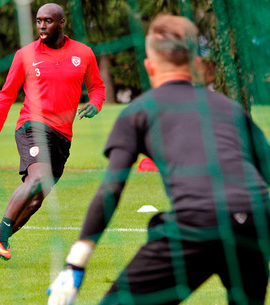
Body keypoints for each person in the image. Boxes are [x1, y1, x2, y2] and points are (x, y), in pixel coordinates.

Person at [48, 13, 270, 305]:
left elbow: (111, 189)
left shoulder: (139, 111)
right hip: (256, 221)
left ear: (149, 66)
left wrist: (74, 265)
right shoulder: (231, 108)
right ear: (196, 63)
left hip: (197, 223)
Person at [0, 3, 105, 267]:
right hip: (32, 126)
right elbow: (7, 93)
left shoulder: (83, 53)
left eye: (48, 21)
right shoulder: (25, 54)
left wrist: (95, 104)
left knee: (36, 201)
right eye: (39, 21)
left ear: (61, 23)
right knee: (37, 180)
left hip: (63, 137)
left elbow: (97, 87)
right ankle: (2, 239)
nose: (41, 26)